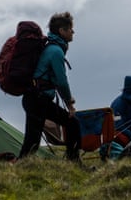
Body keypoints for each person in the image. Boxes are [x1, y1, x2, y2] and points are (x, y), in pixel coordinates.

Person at [19, 12, 82, 161]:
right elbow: (61, 81)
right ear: (61, 31)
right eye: (70, 29)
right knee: (72, 123)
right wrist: (69, 104)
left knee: (32, 140)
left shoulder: (51, 48)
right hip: (38, 99)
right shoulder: (56, 51)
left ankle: (21, 164)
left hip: (34, 98)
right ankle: (74, 162)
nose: (73, 32)